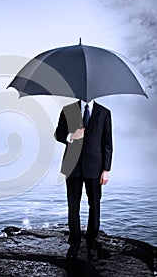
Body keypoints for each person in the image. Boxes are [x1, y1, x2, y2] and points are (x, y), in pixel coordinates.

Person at [55, 99, 113, 261]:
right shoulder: (68, 110)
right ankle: (74, 242)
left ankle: (91, 243)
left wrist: (106, 169)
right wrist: (71, 135)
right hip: (72, 166)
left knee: (94, 205)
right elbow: (58, 134)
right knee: (73, 205)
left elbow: (107, 143)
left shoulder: (104, 113)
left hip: (95, 167)